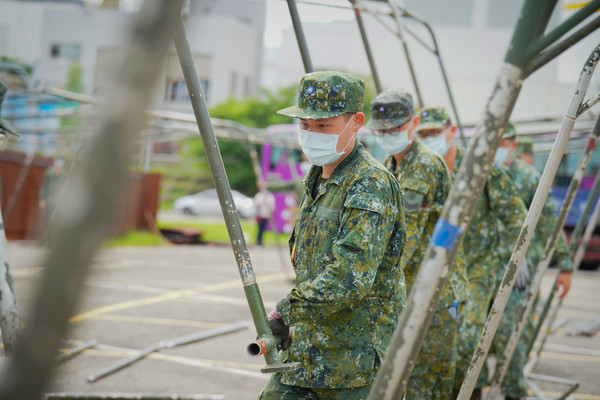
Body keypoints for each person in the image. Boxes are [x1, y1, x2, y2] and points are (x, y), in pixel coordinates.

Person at [258, 71, 407, 400]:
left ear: (355, 122)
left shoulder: (369, 183)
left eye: (323, 126)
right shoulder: (316, 179)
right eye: (305, 126)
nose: (311, 135)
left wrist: (285, 311)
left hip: (356, 364)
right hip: (309, 352)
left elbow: (349, 277)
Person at [415, 107, 529, 400]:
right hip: (436, 268)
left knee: (467, 339)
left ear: (451, 131)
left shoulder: (482, 166)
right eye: (423, 134)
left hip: (478, 266)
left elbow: (515, 214)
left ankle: (469, 393)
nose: (429, 139)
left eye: (434, 133)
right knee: (427, 344)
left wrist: (521, 256)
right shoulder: (423, 168)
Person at [367, 91, 468, 400]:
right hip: (410, 290)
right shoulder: (392, 162)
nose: (387, 136)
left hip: (432, 293)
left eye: (394, 129)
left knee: (426, 385)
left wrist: (368, 282)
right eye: (381, 130)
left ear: (413, 122)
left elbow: (404, 239)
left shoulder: (422, 164)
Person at [487, 123, 574, 399]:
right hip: (482, 267)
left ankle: (512, 390)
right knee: (472, 331)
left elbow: (549, 222)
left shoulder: (527, 178)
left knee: (510, 332)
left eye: (504, 143)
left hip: (518, 272)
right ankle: (475, 388)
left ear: (513, 145)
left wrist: (565, 264)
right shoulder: (481, 174)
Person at [253, 180, 275, 246]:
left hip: (266, 215)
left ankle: (260, 241)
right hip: (260, 215)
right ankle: (258, 242)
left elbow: (272, 206)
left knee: (263, 229)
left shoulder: (269, 196)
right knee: (260, 229)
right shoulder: (259, 195)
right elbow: (256, 205)